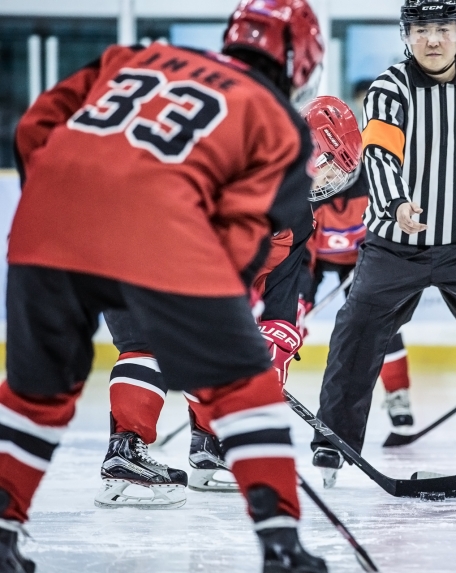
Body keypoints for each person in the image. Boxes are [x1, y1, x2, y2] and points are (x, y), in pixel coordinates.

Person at [0, 1, 329, 571]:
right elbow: (241, 243)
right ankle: (283, 547)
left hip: (48, 221)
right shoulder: (276, 122)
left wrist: (55, 208)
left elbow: (34, 127)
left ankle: (3, 531)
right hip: (160, 225)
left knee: (37, 392)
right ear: (301, 65)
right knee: (243, 381)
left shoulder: (138, 56)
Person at [311, 0, 456, 490]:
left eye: (442, 29)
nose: (432, 40)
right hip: (396, 244)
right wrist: (396, 202)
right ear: (406, 35)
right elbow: (379, 153)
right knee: (356, 326)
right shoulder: (389, 87)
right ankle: (333, 441)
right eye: (421, 30)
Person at [95, 95, 358, 505]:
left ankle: (206, 449)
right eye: (330, 166)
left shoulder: (298, 215)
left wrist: (275, 344)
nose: (330, 182)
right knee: (156, 343)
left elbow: (280, 293)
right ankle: (126, 452)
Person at [299, 87, 417, 431]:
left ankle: (398, 395)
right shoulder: (309, 187)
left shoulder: (376, 179)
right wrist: (300, 300)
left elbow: (395, 228)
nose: (329, 178)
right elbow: (300, 254)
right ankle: (268, 381)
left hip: (363, 258)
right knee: (287, 317)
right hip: (316, 259)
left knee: (380, 321)